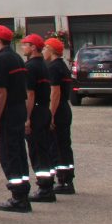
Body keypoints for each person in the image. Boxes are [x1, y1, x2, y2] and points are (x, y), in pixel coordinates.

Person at [0, 25, 31, 212]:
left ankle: (18, 197)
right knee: (19, 151)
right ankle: (22, 192)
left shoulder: (1, 60)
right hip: (19, 108)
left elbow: (1, 92)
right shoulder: (17, 58)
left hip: (9, 111)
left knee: (9, 153)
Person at [21, 34, 55, 203]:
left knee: (37, 150)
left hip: (35, 112)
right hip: (44, 110)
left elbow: (30, 93)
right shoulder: (44, 65)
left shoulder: (30, 67)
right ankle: (48, 185)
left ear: (33, 47)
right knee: (44, 149)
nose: (22, 48)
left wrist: (27, 118)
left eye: (25, 45)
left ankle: (44, 188)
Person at [44, 38, 76, 194]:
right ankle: (67, 178)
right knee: (64, 145)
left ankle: (63, 181)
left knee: (57, 146)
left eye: (45, 48)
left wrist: (51, 114)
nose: (43, 51)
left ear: (51, 49)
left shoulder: (53, 68)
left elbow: (55, 92)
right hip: (64, 108)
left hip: (59, 110)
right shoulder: (62, 66)